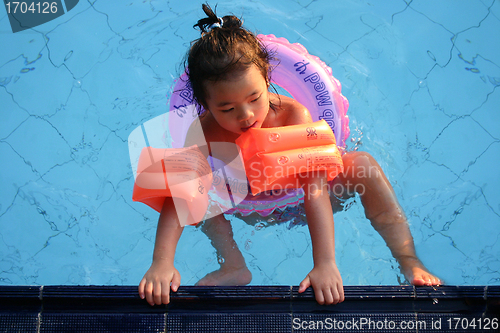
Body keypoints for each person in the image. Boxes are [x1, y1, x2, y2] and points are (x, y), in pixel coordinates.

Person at [138, 4, 441, 306]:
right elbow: (178, 196)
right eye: (227, 109)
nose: (245, 115)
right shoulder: (201, 132)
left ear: (267, 79)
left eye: (255, 98)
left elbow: (315, 189)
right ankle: (233, 265)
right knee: (197, 190)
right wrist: (161, 262)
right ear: (204, 103)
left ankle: (407, 258)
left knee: (364, 166)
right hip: (246, 207)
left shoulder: (294, 115)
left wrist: (325, 263)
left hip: (301, 200)